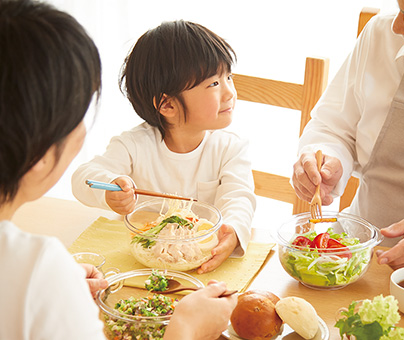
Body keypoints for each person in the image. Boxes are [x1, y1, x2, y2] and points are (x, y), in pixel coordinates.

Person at [0, 1, 236, 339]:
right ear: (36, 153)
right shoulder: (37, 270)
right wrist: (184, 331)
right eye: (77, 114)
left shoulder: (41, 275)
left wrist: (58, 290)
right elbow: (88, 177)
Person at [292, 0, 404, 270]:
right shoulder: (382, 36)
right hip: (356, 258)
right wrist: (329, 158)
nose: (396, 26)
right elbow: (332, 126)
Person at [71, 20, 256, 274]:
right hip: (144, 265)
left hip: (201, 265)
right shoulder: (134, 145)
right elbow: (83, 177)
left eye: (228, 77)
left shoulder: (230, 148)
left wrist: (233, 230)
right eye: (213, 84)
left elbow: (239, 198)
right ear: (167, 105)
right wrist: (111, 190)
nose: (229, 93)